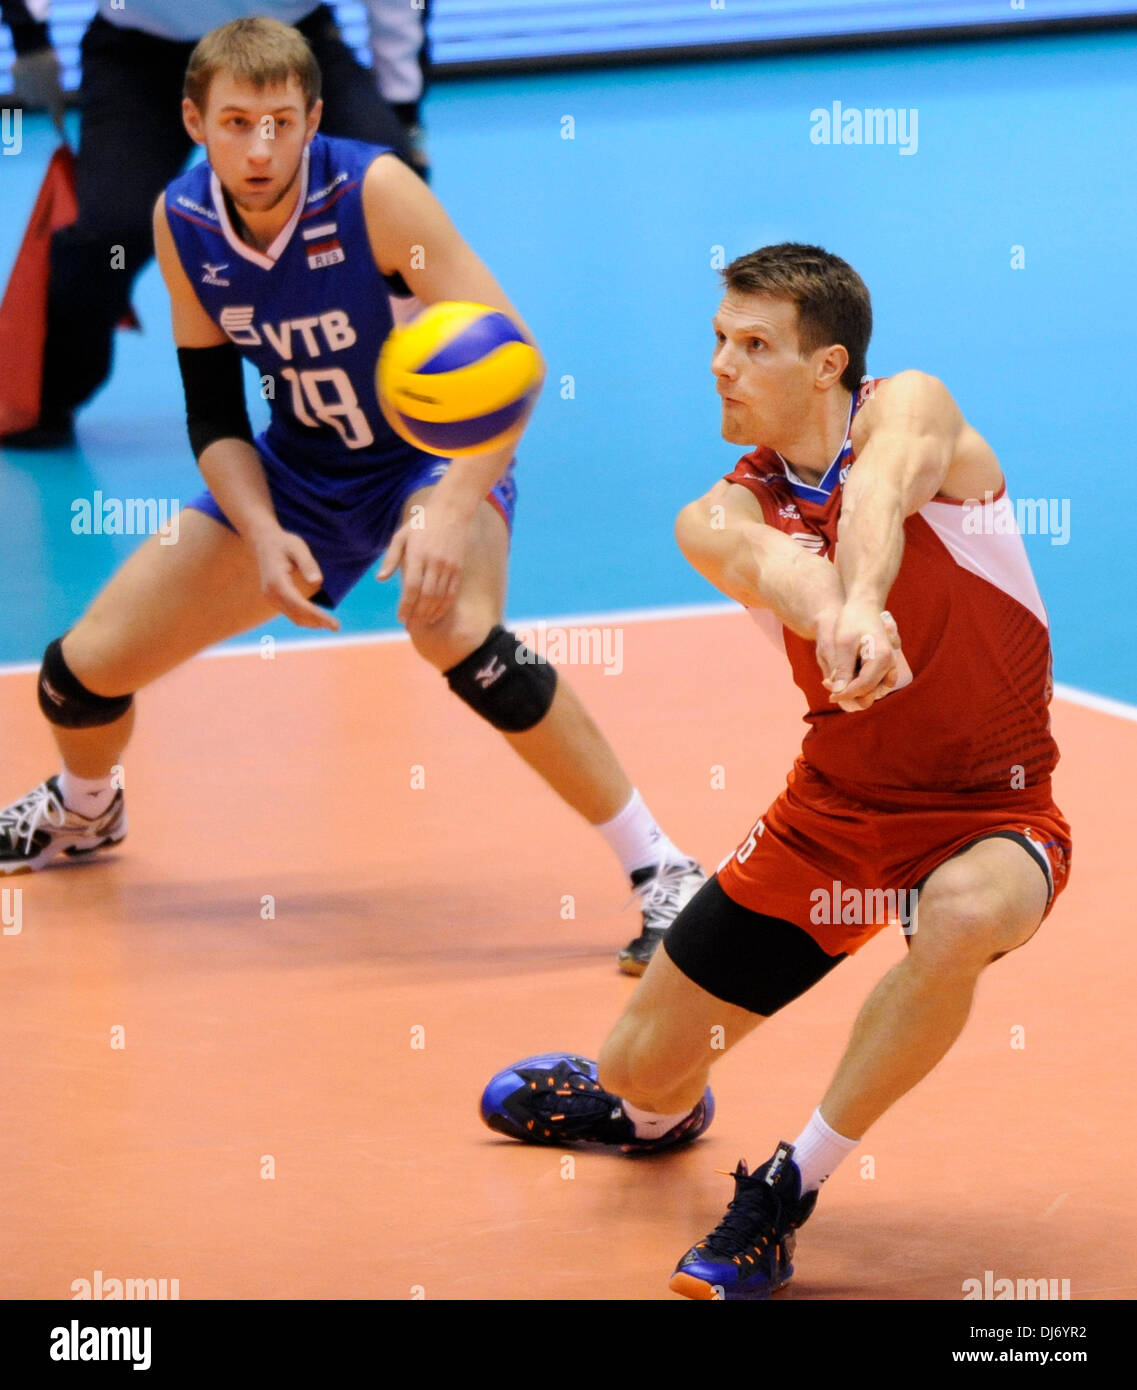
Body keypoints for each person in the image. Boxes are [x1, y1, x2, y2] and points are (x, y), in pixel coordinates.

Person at [0, 18, 705, 972]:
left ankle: (662, 870)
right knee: (76, 678)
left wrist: (452, 505)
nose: (259, 148)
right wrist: (257, 532)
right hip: (298, 474)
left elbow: (516, 360)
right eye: (237, 121)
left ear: (312, 118)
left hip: (428, 460)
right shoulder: (182, 221)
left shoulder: (374, 192)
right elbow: (215, 420)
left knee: (455, 634)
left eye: (281, 122)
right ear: (193, 121)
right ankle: (86, 811)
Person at [481, 242, 1072, 1298]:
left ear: (829, 366)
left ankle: (788, 1186)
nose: (722, 364)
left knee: (965, 914)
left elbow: (884, 495)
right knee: (637, 1067)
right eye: (718, 340)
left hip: (995, 808)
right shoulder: (716, 513)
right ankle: (652, 1115)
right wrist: (838, 613)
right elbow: (776, 567)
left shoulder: (914, 409)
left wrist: (865, 598)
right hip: (832, 815)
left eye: (755, 345)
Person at [0, 0, 428, 449]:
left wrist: (402, 106)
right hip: (142, 56)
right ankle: (44, 400)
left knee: (392, 189)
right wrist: (29, 38)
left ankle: (408, 377)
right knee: (109, 233)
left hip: (287, 46)